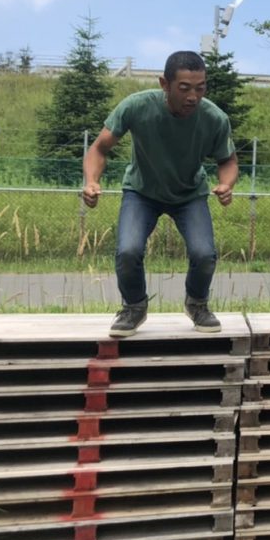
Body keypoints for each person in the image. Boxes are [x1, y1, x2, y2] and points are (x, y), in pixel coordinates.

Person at [82, 51, 238, 338]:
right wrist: (91, 181)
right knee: (128, 251)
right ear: (164, 84)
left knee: (204, 254)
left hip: (190, 193)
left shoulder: (214, 118)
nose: (193, 96)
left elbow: (227, 160)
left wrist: (226, 184)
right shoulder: (136, 106)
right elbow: (99, 148)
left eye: (200, 87)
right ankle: (134, 307)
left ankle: (197, 303)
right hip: (142, 192)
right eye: (185, 88)